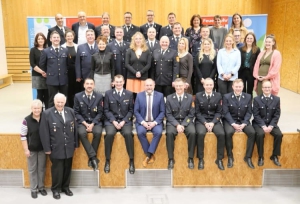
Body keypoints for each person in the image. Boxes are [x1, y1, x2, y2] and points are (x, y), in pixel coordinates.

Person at [39, 93, 78, 200]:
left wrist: (76, 144)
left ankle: (66, 187)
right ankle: (56, 189)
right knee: (57, 170)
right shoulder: (47, 113)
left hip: (69, 146)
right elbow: (44, 132)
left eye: (62, 102)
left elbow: (74, 129)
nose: (60, 104)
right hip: (55, 147)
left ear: (65, 102)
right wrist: (47, 148)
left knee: (67, 168)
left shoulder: (70, 111)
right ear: (54, 102)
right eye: (58, 102)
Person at [103, 75, 135, 174]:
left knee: (129, 134)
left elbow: (131, 110)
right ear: (113, 83)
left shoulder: (129, 93)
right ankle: (107, 160)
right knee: (109, 135)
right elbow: (106, 110)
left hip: (125, 121)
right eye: (117, 82)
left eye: (120, 82)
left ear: (124, 82)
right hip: (111, 121)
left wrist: (123, 121)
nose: (118, 84)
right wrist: (113, 121)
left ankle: (131, 161)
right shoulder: (108, 93)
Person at [222, 79, 255, 169]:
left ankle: (248, 157)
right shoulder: (226, 97)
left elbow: (249, 112)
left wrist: (244, 123)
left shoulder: (248, 97)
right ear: (233, 87)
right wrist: (233, 124)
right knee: (228, 133)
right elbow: (225, 112)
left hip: (243, 121)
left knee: (252, 133)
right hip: (230, 121)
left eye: (240, 87)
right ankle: (230, 156)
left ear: (243, 87)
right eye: (236, 87)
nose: (238, 89)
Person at [165, 78, 196, 169]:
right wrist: (177, 125)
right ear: (174, 86)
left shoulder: (190, 98)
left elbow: (191, 114)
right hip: (173, 122)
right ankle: (171, 159)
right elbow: (168, 114)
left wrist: (183, 125)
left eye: (180, 86)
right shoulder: (169, 98)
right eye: (177, 86)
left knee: (193, 132)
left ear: (184, 86)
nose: (178, 88)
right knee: (169, 133)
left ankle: (190, 158)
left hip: (186, 121)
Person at [195, 78, 225, 170]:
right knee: (200, 133)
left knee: (221, 134)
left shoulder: (218, 95)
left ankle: (219, 159)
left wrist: (212, 123)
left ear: (213, 85)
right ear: (204, 85)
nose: (209, 87)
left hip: (214, 120)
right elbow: (197, 112)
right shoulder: (198, 95)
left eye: (210, 85)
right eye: (207, 85)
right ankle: (200, 159)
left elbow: (219, 112)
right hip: (201, 120)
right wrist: (205, 123)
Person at [74, 78, 103, 170]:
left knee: (98, 133)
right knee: (81, 133)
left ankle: (91, 158)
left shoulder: (99, 96)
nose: (89, 86)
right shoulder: (78, 96)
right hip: (82, 122)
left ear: (94, 85)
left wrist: (93, 124)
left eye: (91, 84)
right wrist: (85, 123)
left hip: (95, 122)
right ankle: (93, 158)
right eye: (87, 84)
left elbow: (100, 113)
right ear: (84, 85)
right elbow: (76, 112)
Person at [134, 78, 165, 167]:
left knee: (158, 132)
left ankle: (148, 155)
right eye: (147, 85)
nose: (149, 87)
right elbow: (136, 111)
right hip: (142, 122)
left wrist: (154, 123)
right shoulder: (139, 96)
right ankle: (150, 154)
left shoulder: (160, 96)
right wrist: (143, 122)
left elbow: (162, 112)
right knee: (140, 132)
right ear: (144, 86)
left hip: (155, 122)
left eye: (151, 85)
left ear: (154, 85)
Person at [20, 99, 47, 199]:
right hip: (31, 149)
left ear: (41, 108)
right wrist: (26, 149)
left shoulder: (45, 117)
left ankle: (41, 187)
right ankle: (33, 189)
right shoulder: (26, 120)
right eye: (34, 108)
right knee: (32, 170)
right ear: (31, 109)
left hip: (43, 149)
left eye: (38, 108)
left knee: (41, 169)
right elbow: (23, 136)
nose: (36, 110)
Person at [252, 80, 282, 167]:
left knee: (279, 134)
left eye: (268, 87)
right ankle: (261, 157)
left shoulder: (277, 99)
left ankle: (274, 155)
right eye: (265, 87)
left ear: (271, 88)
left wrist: (272, 125)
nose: (267, 89)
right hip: (259, 124)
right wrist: (263, 126)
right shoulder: (257, 99)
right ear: (262, 88)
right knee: (260, 134)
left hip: (271, 123)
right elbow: (256, 115)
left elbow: (277, 114)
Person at [39, 31, 69, 108]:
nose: (56, 39)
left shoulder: (65, 50)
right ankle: (50, 117)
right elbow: (42, 64)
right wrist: (47, 73)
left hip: (63, 79)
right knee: (52, 100)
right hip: (52, 79)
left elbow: (68, 64)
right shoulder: (46, 51)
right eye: (54, 37)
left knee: (65, 99)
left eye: (57, 37)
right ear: (50, 39)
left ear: (60, 39)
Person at [125, 32, 151, 99]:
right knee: (131, 97)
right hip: (131, 77)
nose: (138, 40)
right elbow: (127, 64)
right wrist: (135, 72)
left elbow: (148, 64)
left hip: (143, 77)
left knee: (142, 97)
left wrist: (140, 72)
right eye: (136, 39)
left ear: (143, 40)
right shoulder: (129, 51)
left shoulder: (147, 51)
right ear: (133, 40)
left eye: (140, 38)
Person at [29, 32, 48, 109]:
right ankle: (39, 111)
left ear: (44, 40)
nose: (40, 40)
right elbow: (32, 64)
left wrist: (46, 72)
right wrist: (42, 72)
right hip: (37, 75)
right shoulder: (33, 50)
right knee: (40, 94)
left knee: (47, 94)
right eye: (38, 39)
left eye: (42, 38)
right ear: (36, 40)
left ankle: (47, 112)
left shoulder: (48, 49)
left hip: (47, 75)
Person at [239, 32, 260, 98]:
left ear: (253, 39)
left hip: (251, 72)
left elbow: (258, 61)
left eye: (251, 38)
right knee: (242, 89)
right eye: (248, 38)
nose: (249, 40)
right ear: (245, 39)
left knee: (249, 90)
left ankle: (249, 104)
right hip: (242, 71)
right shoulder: (241, 49)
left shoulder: (257, 49)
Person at [61, 30, 79, 108]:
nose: (69, 37)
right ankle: (68, 108)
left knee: (76, 91)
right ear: (65, 37)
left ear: (73, 37)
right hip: (66, 73)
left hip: (76, 73)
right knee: (68, 91)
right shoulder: (62, 47)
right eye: (68, 36)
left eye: (71, 36)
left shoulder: (77, 46)